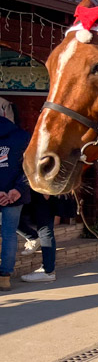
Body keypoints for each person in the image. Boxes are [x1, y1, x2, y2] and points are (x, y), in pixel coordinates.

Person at [0, 114, 29, 290]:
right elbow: (31, 167)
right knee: (10, 235)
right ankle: (4, 278)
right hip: (15, 195)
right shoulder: (23, 137)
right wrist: (17, 190)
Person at [19, 191, 60, 283]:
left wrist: (46, 190)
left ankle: (48, 271)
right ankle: (33, 238)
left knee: (45, 229)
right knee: (11, 218)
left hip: (41, 190)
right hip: (29, 190)